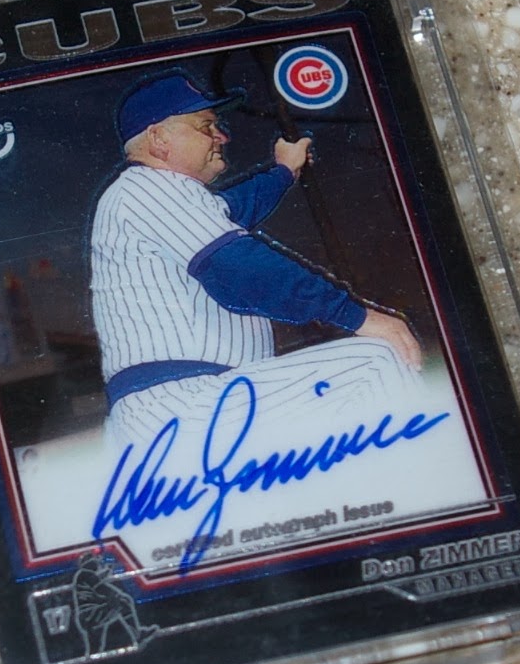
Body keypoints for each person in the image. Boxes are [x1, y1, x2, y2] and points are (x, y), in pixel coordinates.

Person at [89, 68, 423, 454]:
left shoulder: (153, 198)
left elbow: (233, 208)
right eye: (205, 125)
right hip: (185, 402)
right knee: (377, 361)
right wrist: (358, 316)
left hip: (181, 408)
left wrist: (284, 171)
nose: (222, 136)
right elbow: (242, 271)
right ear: (159, 138)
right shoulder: (149, 189)